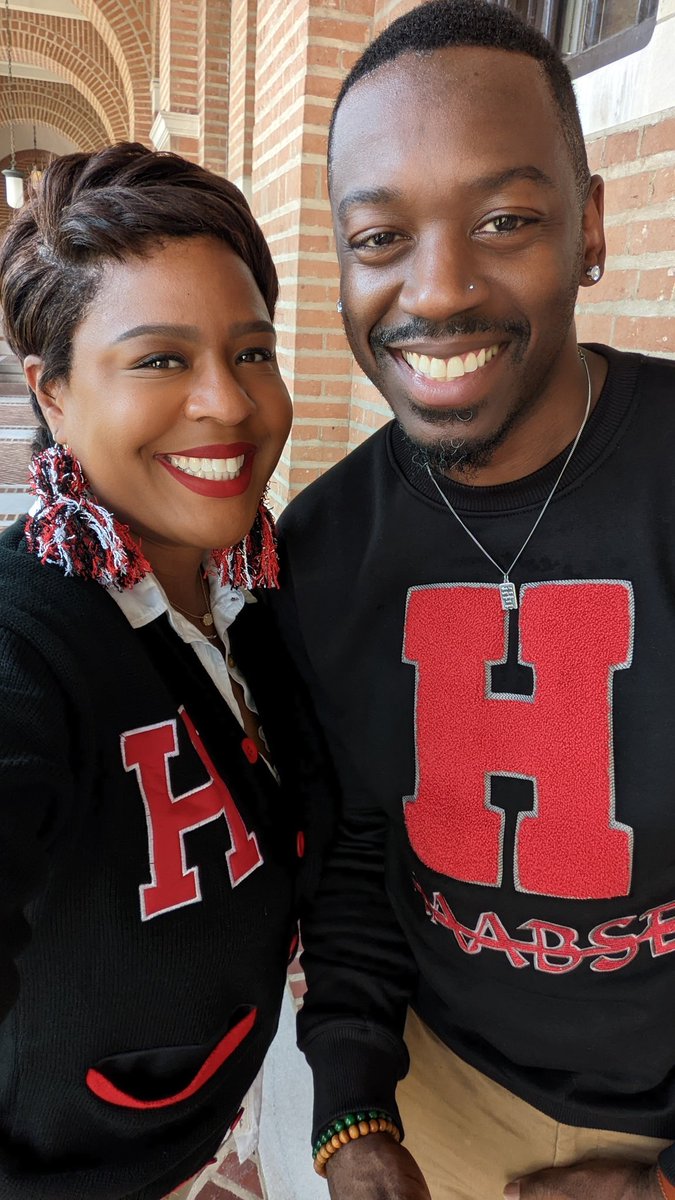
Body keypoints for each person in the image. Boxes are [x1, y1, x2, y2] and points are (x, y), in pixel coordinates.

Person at [265, 2, 675, 1199]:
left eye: (504, 220)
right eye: (380, 237)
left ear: (591, 229)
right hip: (443, 1098)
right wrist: (352, 1109)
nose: (435, 292)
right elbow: (354, 846)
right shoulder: (325, 550)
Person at [0, 143, 332, 1200]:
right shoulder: (28, 635)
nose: (229, 407)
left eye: (251, 352)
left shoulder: (266, 591)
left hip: (240, 1108)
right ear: (49, 394)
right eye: (158, 360)